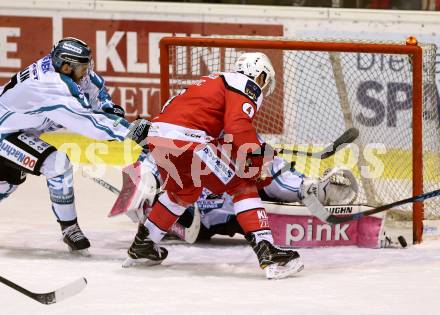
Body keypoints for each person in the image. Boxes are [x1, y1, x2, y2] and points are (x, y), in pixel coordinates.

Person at [123, 52, 305, 279]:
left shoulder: (212, 81)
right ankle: (269, 252)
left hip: (158, 140)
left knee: (184, 192)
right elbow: (237, 126)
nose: (261, 86)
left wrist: (254, 153)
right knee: (242, 185)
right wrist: (256, 158)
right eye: (263, 79)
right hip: (189, 141)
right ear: (258, 74)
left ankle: (144, 246)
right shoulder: (245, 84)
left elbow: (214, 131)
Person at [0, 37, 149, 255]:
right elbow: (89, 124)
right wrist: (128, 132)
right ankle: (70, 228)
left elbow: (95, 90)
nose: (87, 71)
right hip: (4, 133)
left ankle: (69, 228)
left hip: (18, 129)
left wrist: (110, 109)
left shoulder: (64, 67)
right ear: (67, 66)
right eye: (83, 67)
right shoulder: (51, 86)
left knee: (7, 182)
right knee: (56, 163)